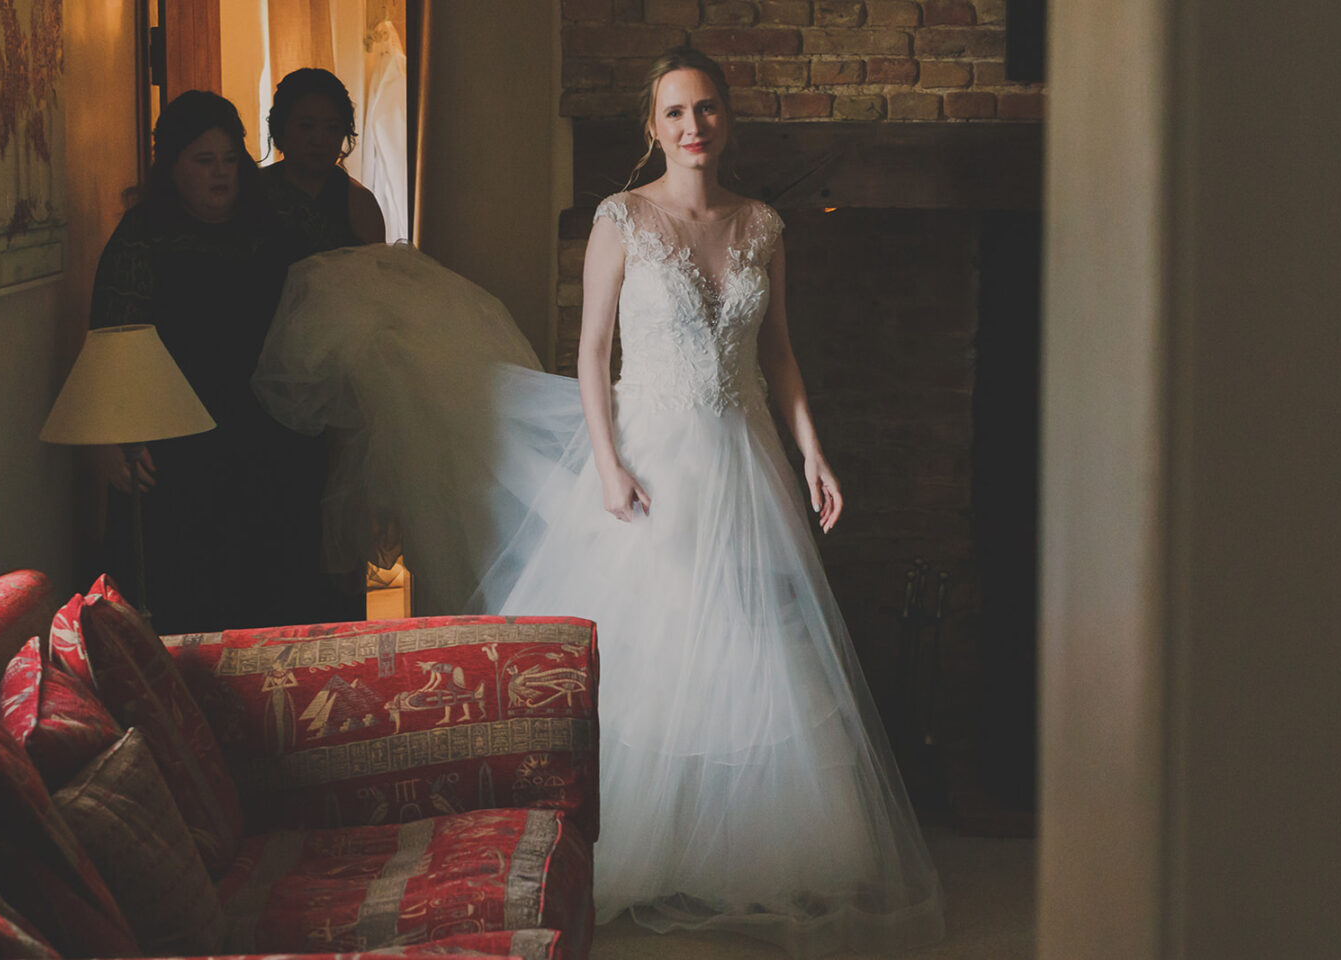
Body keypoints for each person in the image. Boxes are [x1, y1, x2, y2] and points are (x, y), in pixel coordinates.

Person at [253, 48, 943, 956]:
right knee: (645, 654)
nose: (692, 127)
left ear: (727, 119)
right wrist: (611, 465)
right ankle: (639, 852)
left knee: (749, 648)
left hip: (744, 459)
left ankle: (741, 853)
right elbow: (590, 354)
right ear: (653, 129)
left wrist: (814, 454)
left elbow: (778, 353)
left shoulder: (764, 227)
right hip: (651, 455)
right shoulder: (623, 218)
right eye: (674, 114)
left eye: (705, 110)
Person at [89, 90, 359, 633]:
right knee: (185, 589)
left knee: (277, 587)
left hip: (274, 434)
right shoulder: (142, 234)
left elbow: (344, 286)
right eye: (204, 161)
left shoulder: (282, 216)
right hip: (179, 438)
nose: (221, 174)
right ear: (172, 167)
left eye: (230, 159)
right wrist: (116, 440)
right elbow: (114, 340)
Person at [262, 68, 385, 255]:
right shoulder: (253, 191)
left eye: (332, 128)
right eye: (307, 126)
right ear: (280, 130)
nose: (320, 139)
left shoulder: (360, 204)